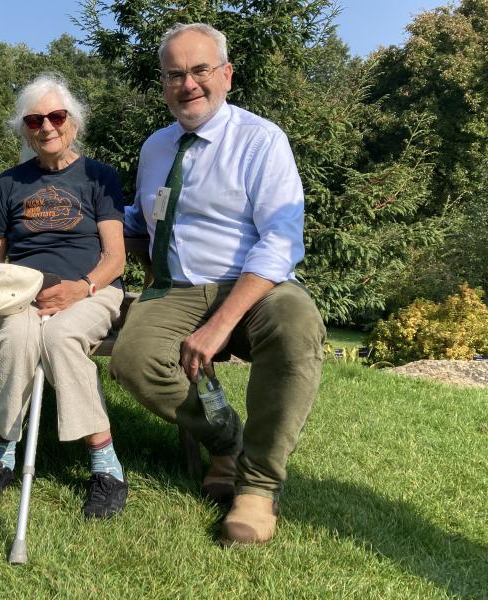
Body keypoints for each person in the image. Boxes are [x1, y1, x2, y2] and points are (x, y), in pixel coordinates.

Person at [109, 23, 325, 545]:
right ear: (163, 84)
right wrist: (80, 222)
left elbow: (281, 240)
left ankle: (256, 487)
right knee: (132, 360)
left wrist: (221, 323)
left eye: (200, 70)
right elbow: (142, 219)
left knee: (297, 325)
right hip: (179, 287)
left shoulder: (260, 139)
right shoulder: (156, 147)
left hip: (254, 286)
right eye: (174, 74)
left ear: (226, 74)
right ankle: (224, 439)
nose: (188, 84)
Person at [0, 74, 129, 519]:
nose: (46, 126)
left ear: (73, 122)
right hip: (22, 294)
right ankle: (2, 456)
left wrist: (80, 289)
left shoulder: (100, 177)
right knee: (15, 342)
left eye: (56, 116)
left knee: (61, 338)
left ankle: (106, 466)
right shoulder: (10, 183)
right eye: (35, 119)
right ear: (24, 129)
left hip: (91, 290)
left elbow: (116, 257)